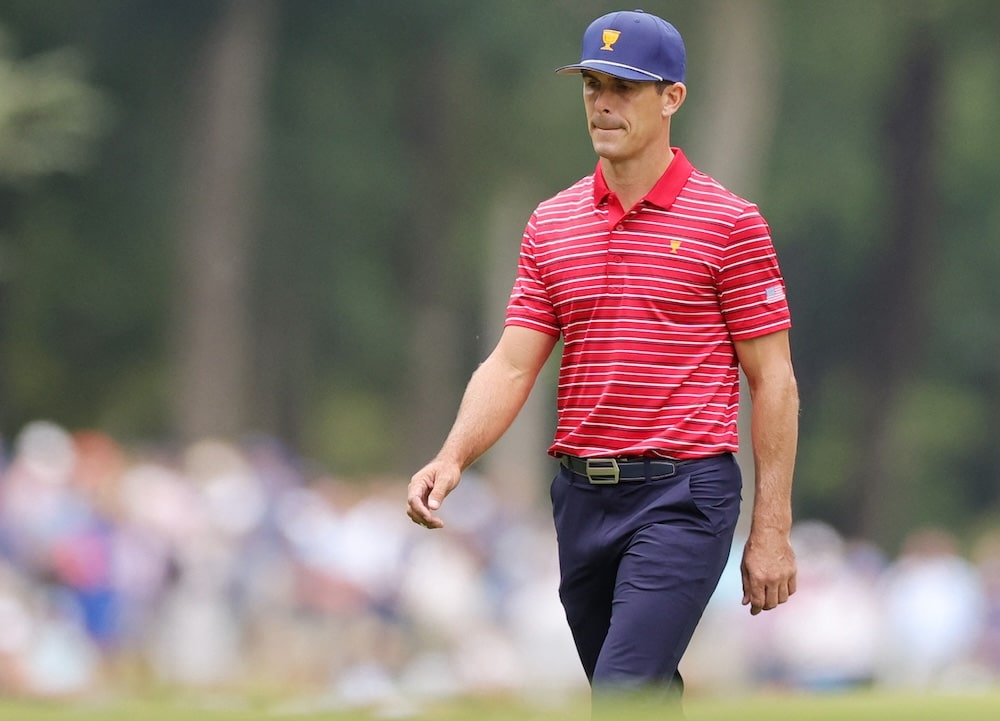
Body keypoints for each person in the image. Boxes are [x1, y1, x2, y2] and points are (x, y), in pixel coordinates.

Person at [406, 8, 798, 714]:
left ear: (671, 97)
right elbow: (511, 363)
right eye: (592, 85)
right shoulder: (552, 223)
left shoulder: (729, 224)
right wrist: (453, 455)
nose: (604, 103)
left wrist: (771, 528)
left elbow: (774, 381)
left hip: (683, 494)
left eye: (624, 87)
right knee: (639, 694)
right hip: (581, 497)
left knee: (623, 690)